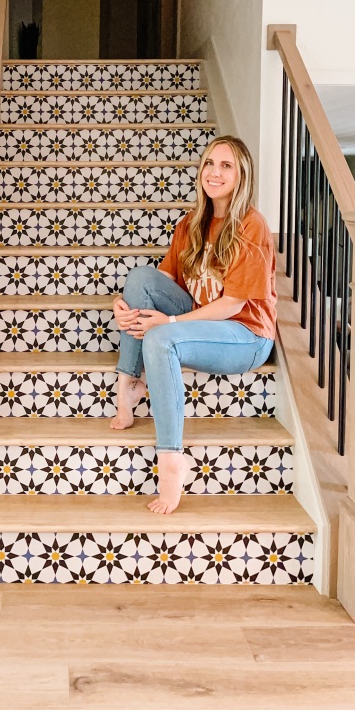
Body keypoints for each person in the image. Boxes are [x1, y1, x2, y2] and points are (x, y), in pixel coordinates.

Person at [110, 135, 277, 515]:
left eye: (226, 165)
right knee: (139, 278)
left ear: (241, 175)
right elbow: (159, 284)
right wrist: (121, 307)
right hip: (199, 320)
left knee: (163, 339)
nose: (214, 172)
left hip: (245, 335)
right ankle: (129, 387)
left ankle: (172, 461)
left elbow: (233, 303)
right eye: (209, 163)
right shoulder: (190, 223)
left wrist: (169, 321)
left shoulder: (252, 226)